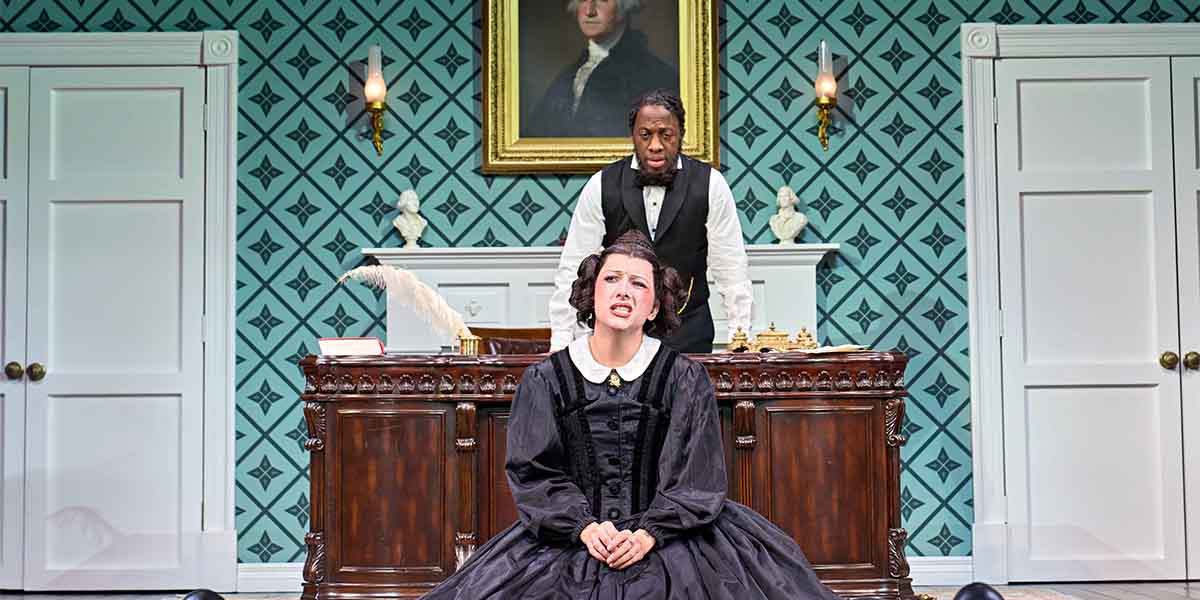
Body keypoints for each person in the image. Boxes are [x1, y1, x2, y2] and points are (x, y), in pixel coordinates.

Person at [423, 231, 841, 599]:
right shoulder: (547, 378)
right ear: (592, 295)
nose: (623, 290)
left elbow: (697, 478)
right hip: (573, 539)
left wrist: (648, 535)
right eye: (612, 279)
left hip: (675, 539)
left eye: (638, 284)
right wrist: (584, 528)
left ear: (655, 307)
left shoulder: (684, 378)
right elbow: (534, 473)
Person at [549, 89, 752, 353]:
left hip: (689, 334)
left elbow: (731, 269)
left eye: (666, 135)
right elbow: (573, 268)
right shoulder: (601, 185)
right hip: (616, 336)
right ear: (633, 136)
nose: (655, 145)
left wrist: (741, 340)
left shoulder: (711, 185)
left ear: (680, 135)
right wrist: (561, 342)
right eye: (645, 135)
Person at [523, 0, 678, 138]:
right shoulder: (570, 74)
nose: (589, 11)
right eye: (583, 0)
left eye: (602, 0)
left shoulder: (654, 75)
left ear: (624, 5)